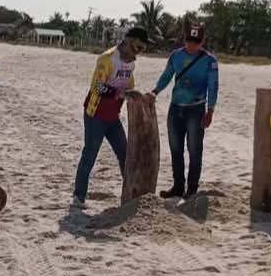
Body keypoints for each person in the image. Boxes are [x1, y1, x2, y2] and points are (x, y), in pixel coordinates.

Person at [72, 26, 150, 208]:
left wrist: (137, 97)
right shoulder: (107, 59)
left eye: (142, 50)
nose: (138, 53)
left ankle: (131, 193)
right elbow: (96, 87)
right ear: (127, 42)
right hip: (96, 114)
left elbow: (129, 85)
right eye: (137, 48)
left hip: (113, 116)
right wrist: (118, 94)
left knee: (125, 153)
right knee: (90, 154)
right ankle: (78, 196)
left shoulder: (131, 64)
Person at [150, 23, 219, 200]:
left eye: (196, 41)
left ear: (202, 41)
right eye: (189, 40)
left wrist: (210, 110)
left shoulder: (210, 61)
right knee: (175, 149)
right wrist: (155, 91)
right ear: (184, 39)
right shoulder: (176, 56)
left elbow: (213, 86)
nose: (192, 45)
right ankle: (178, 187)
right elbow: (167, 76)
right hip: (175, 108)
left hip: (196, 110)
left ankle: (192, 190)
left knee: (195, 150)